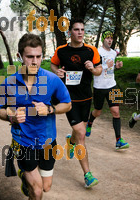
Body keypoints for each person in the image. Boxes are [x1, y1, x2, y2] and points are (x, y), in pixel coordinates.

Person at [0, 33, 72, 200]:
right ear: (20, 56)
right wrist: (11, 117)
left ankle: (24, 177)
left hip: (47, 141)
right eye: (30, 57)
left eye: (38, 56)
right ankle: (28, 178)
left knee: (46, 187)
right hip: (23, 141)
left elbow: (67, 104)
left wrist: (50, 109)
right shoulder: (8, 83)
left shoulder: (52, 79)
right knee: (36, 192)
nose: (35, 61)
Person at [50, 18, 102, 188]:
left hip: (86, 98)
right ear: (70, 32)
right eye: (76, 29)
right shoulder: (61, 51)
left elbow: (99, 70)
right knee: (81, 134)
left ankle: (70, 142)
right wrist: (57, 71)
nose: (80, 32)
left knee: (77, 134)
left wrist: (93, 69)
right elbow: (53, 63)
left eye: (82, 30)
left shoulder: (91, 50)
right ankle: (87, 175)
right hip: (68, 99)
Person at [85, 30, 129, 150]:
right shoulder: (96, 52)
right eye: (107, 38)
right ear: (103, 39)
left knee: (116, 112)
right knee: (97, 112)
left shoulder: (114, 53)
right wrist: (106, 66)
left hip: (112, 85)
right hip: (99, 87)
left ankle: (118, 140)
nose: (110, 40)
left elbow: (111, 68)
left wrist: (117, 67)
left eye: (111, 38)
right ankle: (90, 122)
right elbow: (92, 68)